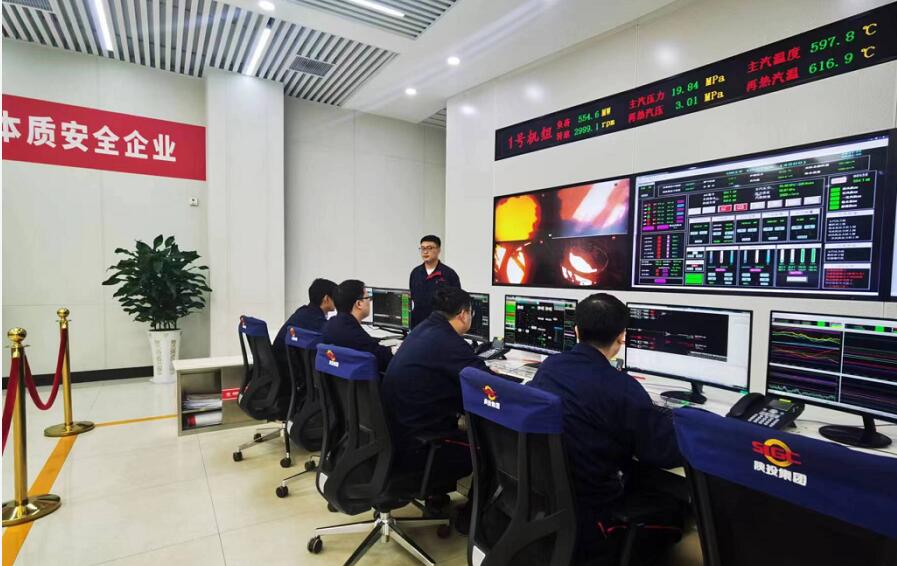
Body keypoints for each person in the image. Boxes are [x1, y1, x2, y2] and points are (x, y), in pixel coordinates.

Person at [530, 293, 685, 565]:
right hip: (595, 511)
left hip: (549, 497)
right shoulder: (622, 388)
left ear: (576, 331)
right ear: (621, 337)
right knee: (676, 506)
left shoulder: (550, 367)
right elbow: (660, 452)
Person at [382, 286, 489, 525]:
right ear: (464, 314)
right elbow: (487, 385)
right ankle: (472, 519)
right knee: (489, 448)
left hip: (397, 437)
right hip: (418, 446)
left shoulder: (422, 330)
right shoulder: (450, 343)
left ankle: (436, 496)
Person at [321, 279, 393, 372]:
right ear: (359, 304)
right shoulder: (357, 336)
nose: (370, 301)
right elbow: (385, 359)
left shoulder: (329, 325)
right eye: (368, 298)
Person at [272, 278, 337, 380]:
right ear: (326, 298)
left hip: (281, 369)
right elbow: (333, 339)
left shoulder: (303, 312)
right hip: (289, 374)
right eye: (336, 296)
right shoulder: (316, 321)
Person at [409, 235, 461, 330]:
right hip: (418, 326)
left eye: (430, 248)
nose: (425, 252)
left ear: (438, 250)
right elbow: (413, 298)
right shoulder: (415, 273)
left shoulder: (449, 274)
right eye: (422, 248)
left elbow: (457, 302)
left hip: (441, 326)